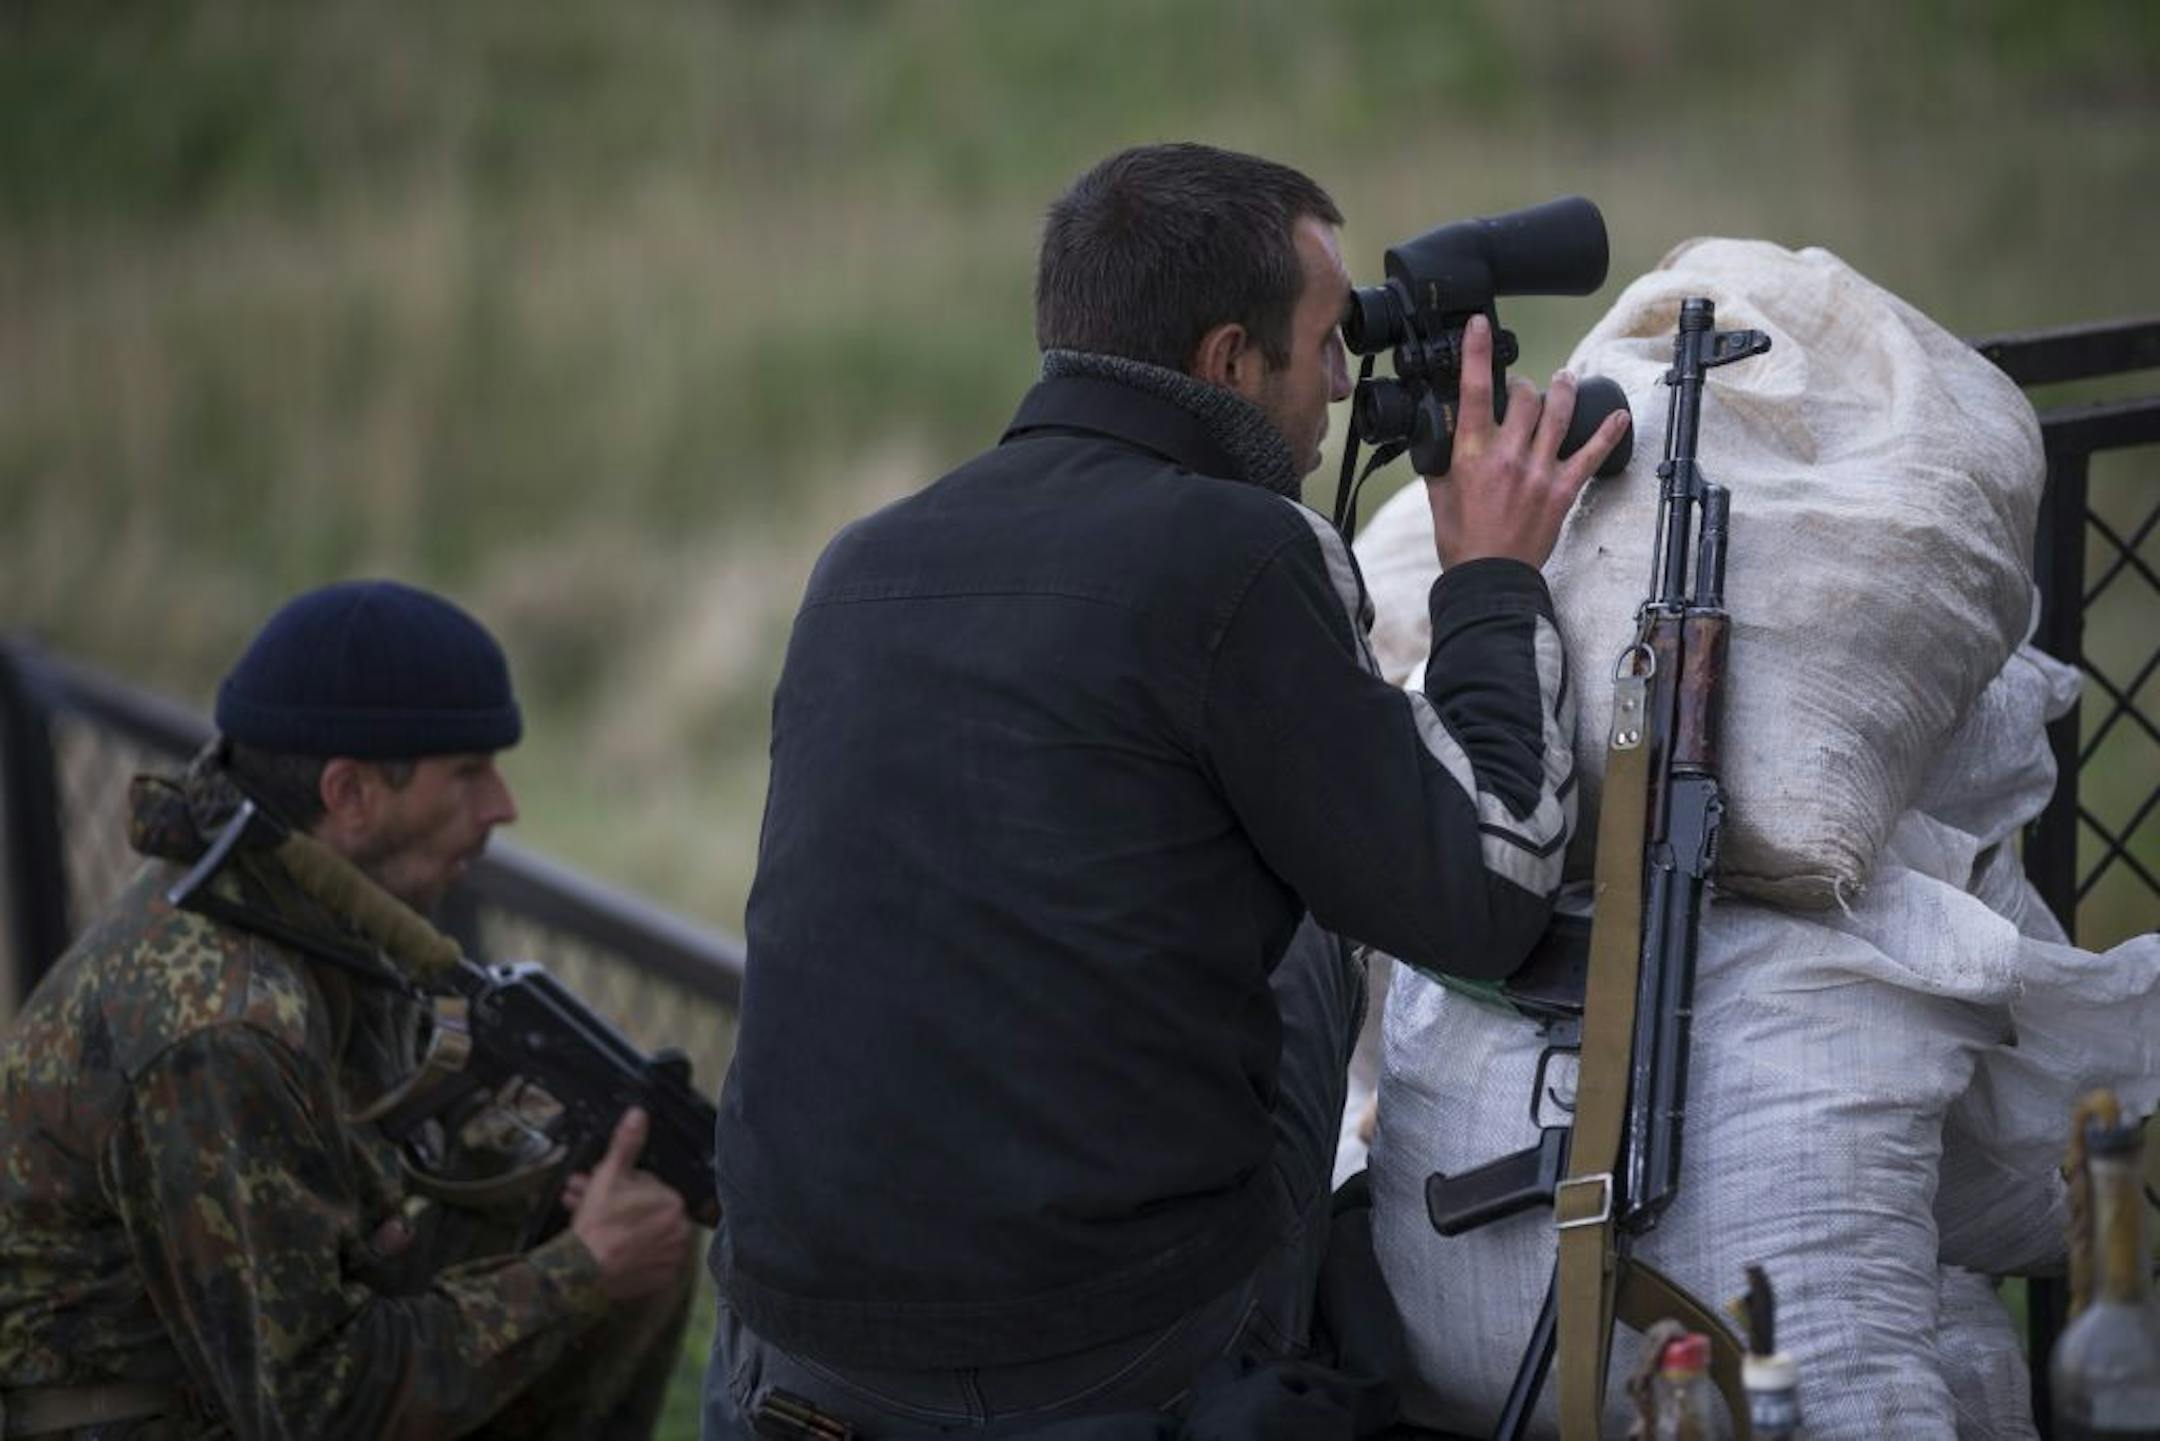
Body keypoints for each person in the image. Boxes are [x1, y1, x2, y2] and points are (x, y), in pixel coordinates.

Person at [704, 142, 1630, 1437]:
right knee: (1316, 905)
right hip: (1083, 1357)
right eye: (1323, 347)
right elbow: (1484, 898)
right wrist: (1489, 576)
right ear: (1226, 364)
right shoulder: (1236, 553)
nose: (1337, 388)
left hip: (785, 1339)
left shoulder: (863, 561)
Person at [0, 579, 692, 1440]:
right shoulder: (224, 1026)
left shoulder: (298, 904)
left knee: (630, 1198)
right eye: (468, 772)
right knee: (607, 1266)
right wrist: (581, 1271)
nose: (502, 808)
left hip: (231, 1381)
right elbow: (316, 1408)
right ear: (350, 794)